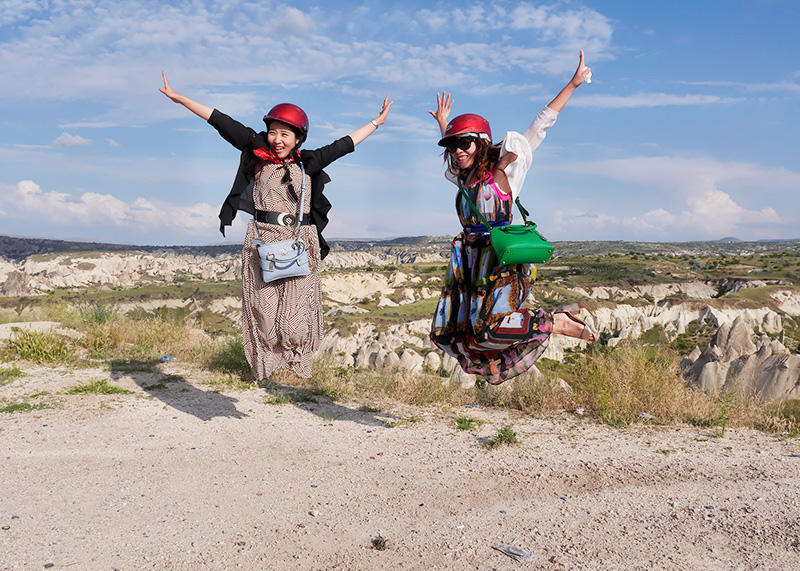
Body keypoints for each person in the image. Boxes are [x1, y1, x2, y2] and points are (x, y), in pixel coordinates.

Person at [160, 72, 392, 380]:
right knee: (264, 313)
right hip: (264, 240)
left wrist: (377, 123)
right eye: (273, 132)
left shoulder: (308, 162)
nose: (277, 139)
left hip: (299, 240)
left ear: (298, 138)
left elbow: (344, 144)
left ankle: (297, 362)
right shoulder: (256, 153)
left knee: (294, 317)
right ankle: (266, 366)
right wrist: (182, 99)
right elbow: (221, 121)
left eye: (285, 134)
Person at [428, 51, 596, 384]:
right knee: (452, 334)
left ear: (481, 143)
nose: (458, 150)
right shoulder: (461, 178)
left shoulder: (506, 171)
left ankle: (552, 322)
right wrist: (444, 126)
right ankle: (550, 321)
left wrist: (573, 84)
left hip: (502, 256)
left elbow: (540, 124)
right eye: (452, 146)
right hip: (470, 260)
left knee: (491, 326)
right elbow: (459, 149)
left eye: (465, 143)